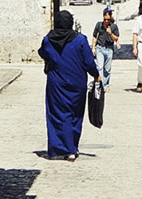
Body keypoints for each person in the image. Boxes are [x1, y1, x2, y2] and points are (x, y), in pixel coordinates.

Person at [38, 10, 100, 161]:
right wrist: (96, 75)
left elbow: (42, 53)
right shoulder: (80, 40)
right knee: (75, 115)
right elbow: (88, 62)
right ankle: (72, 148)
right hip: (77, 84)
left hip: (56, 84)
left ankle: (56, 149)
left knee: (57, 114)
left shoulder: (48, 40)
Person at [91, 8, 120, 92]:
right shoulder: (99, 25)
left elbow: (116, 38)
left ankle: (105, 84)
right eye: (105, 19)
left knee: (107, 69)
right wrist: (93, 48)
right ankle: (99, 84)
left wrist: (110, 33)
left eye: (108, 19)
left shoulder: (114, 27)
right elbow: (94, 36)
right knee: (100, 67)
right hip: (100, 48)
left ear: (110, 18)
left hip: (109, 49)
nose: (106, 21)